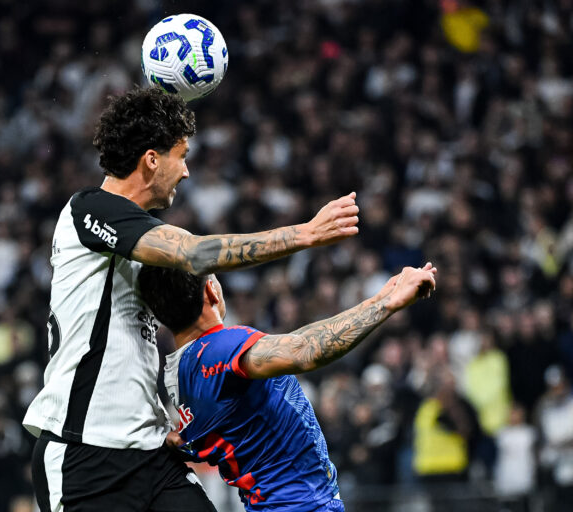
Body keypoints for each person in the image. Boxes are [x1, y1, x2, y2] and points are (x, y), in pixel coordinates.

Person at [22, 86, 361, 512]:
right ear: (151, 159)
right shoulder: (89, 209)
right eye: (180, 155)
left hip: (149, 451)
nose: (185, 171)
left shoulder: (137, 235)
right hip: (83, 452)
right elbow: (196, 253)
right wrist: (306, 234)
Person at [137, 262, 437, 511]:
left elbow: (190, 442)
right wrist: (386, 303)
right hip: (301, 505)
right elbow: (305, 350)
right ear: (211, 291)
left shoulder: (177, 374)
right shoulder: (222, 347)